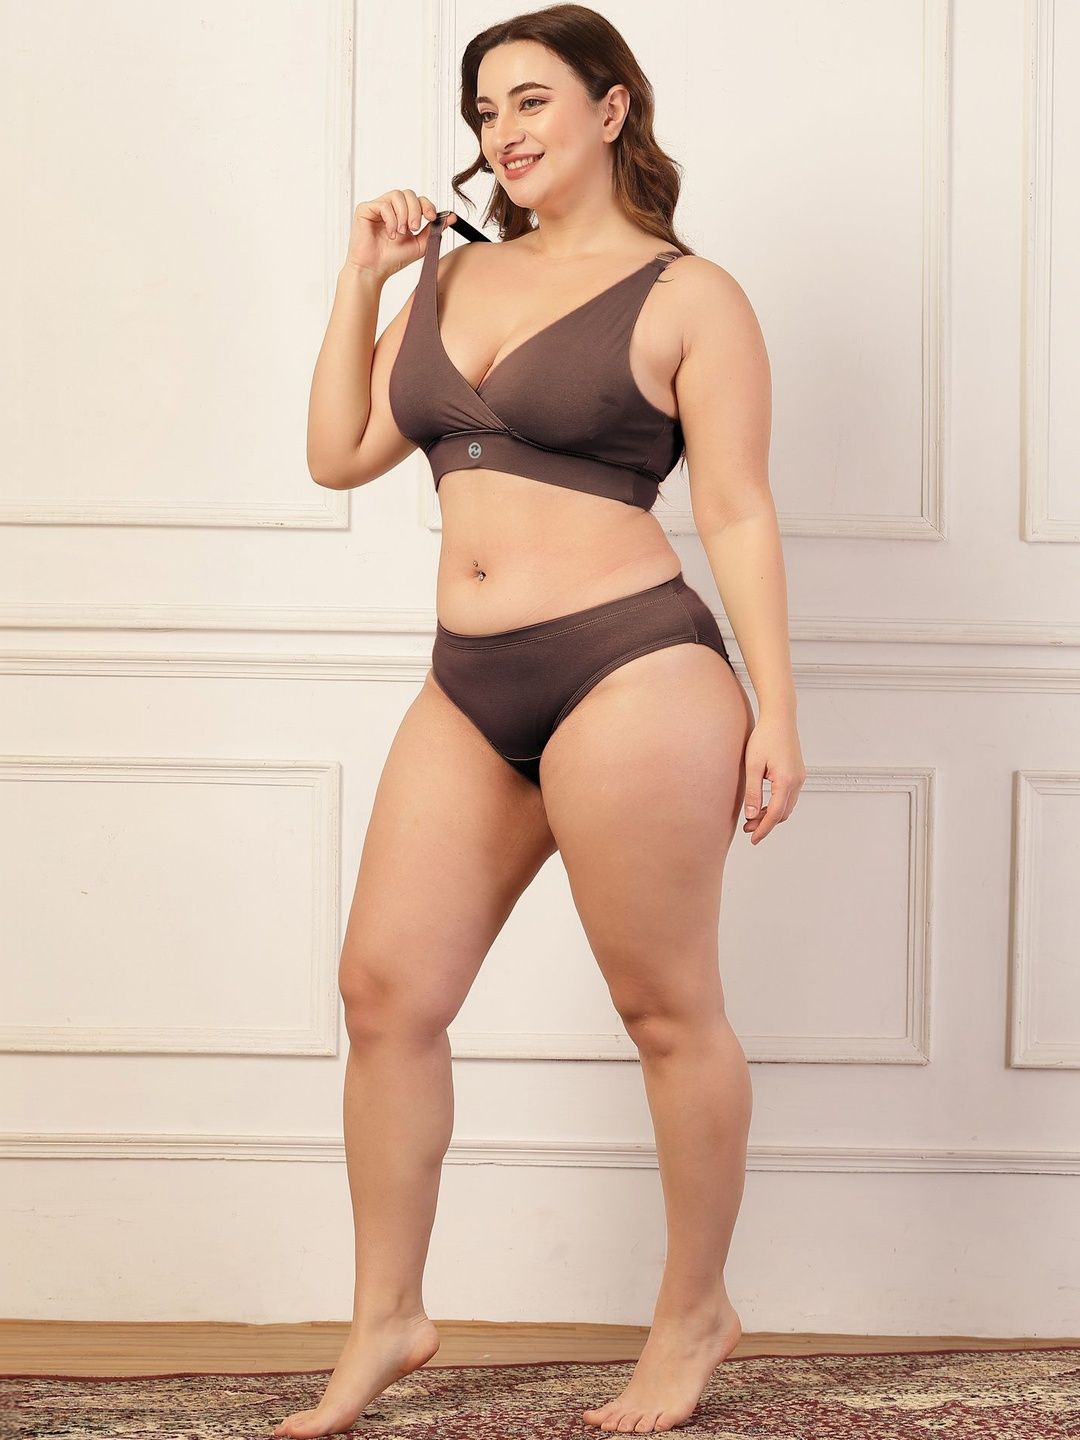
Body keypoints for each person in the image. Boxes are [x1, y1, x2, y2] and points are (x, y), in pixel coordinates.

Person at [278, 5, 805, 1436]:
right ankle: (389, 1315)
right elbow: (339, 452)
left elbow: (737, 509)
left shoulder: (693, 296)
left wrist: (777, 708)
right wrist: (364, 278)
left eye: (530, 101)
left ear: (612, 107)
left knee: (665, 1009)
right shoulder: (455, 275)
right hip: (469, 678)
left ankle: (695, 1313)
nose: (502, 133)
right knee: (385, 994)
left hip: (635, 669)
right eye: (483, 113)